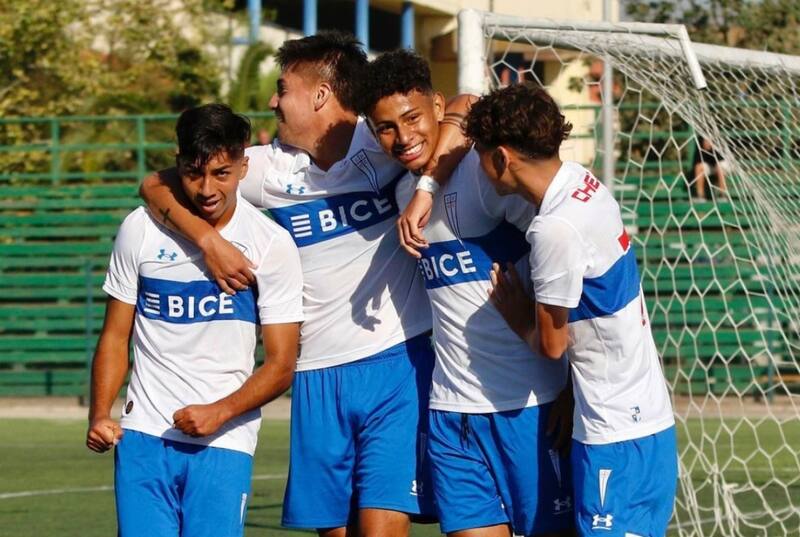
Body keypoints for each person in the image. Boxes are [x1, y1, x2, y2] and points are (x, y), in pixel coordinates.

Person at [139, 32, 470, 537]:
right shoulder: (265, 170)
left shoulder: (383, 141)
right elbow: (156, 184)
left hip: (395, 364)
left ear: (319, 96)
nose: (273, 100)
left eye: (283, 88)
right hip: (314, 374)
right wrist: (208, 241)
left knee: (382, 524)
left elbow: (466, 105)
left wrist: (424, 189)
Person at [360, 50, 574, 537]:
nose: (402, 136)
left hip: (531, 404)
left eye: (412, 117)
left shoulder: (487, 178)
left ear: (437, 106)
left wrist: (571, 385)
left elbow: (567, 267)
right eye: (385, 127)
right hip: (452, 414)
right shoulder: (400, 194)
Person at [465, 84, 677, 537]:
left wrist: (515, 310)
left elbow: (552, 344)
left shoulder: (553, 228)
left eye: (480, 155)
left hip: (614, 430)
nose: (476, 169)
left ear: (501, 158)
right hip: (644, 417)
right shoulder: (583, 182)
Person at [86, 103, 303, 537]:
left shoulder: (271, 245)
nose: (206, 188)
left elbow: (282, 365)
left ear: (244, 166)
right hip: (144, 435)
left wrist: (219, 413)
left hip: (224, 442)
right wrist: (99, 412)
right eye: (193, 172)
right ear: (178, 162)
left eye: (221, 173)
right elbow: (115, 335)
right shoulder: (139, 229)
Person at [692, 136, 728, 201]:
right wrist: (705, 150)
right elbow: (697, 161)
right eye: (706, 141)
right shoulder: (699, 142)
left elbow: (720, 160)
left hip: (722, 164)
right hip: (710, 166)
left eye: (709, 141)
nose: (707, 143)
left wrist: (712, 149)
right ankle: (700, 196)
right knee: (699, 167)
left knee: (720, 167)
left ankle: (723, 195)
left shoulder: (718, 142)